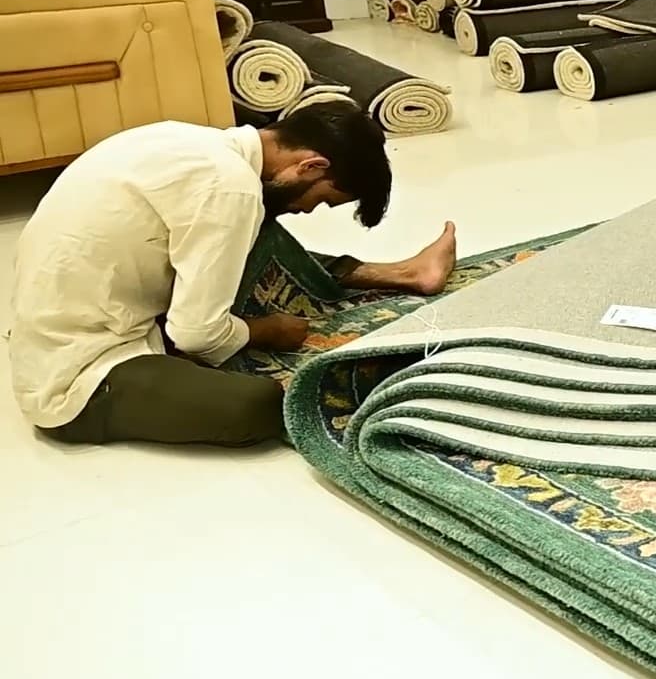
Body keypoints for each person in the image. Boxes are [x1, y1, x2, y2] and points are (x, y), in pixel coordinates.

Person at [8, 103, 457, 448]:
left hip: (67, 315)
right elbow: (195, 335)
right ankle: (405, 274)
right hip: (80, 375)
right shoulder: (231, 188)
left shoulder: (190, 140)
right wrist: (267, 330)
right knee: (260, 405)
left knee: (256, 228)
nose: (307, 210)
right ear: (311, 166)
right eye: (321, 199)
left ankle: (406, 273)